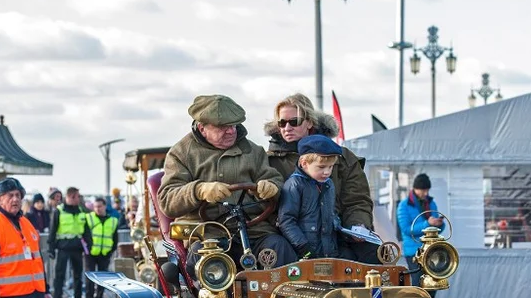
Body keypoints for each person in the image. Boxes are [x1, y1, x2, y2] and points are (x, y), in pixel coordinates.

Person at [157, 93, 296, 272]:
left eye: (234, 125)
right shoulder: (181, 153)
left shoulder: (253, 151)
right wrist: (198, 190)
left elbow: (273, 179)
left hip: (253, 231)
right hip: (207, 235)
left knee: (280, 248)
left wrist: (272, 187)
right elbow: (167, 201)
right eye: (222, 127)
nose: (231, 131)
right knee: (208, 265)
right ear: (202, 127)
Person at [264, 92, 380, 264]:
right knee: (276, 249)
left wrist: (358, 225)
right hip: (290, 237)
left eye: (294, 122)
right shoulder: (268, 161)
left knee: (375, 253)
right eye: (282, 122)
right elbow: (268, 210)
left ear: (309, 122)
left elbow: (357, 200)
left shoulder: (342, 157)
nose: (287, 127)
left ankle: (372, 292)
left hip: (337, 234)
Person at [277, 135, 345, 260]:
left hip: (329, 251)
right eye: (321, 167)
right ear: (304, 164)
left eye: (331, 167)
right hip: (304, 253)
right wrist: (304, 248)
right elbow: (286, 221)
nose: (327, 172)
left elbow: (332, 213)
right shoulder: (294, 185)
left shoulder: (329, 184)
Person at [396, 173, 445, 287]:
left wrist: (439, 224)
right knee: (418, 284)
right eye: (423, 190)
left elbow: (437, 229)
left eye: (427, 190)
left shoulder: (431, 203)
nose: (426, 193)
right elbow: (406, 229)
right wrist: (428, 223)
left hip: (431, 251)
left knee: (433, 284)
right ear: (415, 188)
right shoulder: (404, 206)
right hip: (414, 252)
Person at [48, 186, 89, 298]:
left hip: (77, 248)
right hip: (63, 247)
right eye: (74, 197)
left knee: (77, 276)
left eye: (77, 197)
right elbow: (52, 231)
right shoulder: (59, 211)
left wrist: (89, 245)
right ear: (68, 197)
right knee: (59, 276)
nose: (76, 199)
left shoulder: (81, 211)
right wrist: (51, 249)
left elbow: (86, 231)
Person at [84, 196, 120, 298]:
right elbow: (85, 235)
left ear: (105, 206)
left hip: (105, 253)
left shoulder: (113, 220)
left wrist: (111, 250)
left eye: (99, 206)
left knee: (102, 276)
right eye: (95, 207)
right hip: (91, 252)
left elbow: (115, 237)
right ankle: (89, 297)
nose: (97, 209)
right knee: (90, 276)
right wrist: (88, 248)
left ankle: (99, 297)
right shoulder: (89, 217)